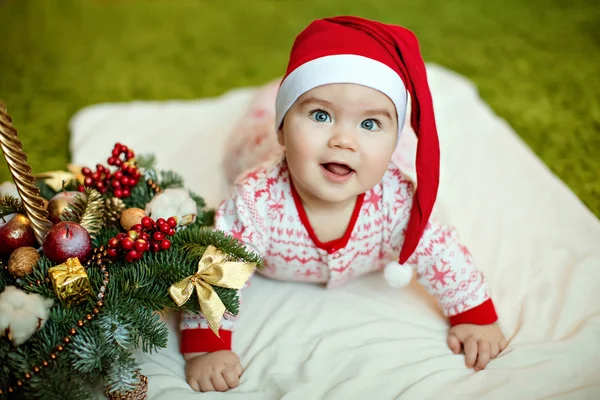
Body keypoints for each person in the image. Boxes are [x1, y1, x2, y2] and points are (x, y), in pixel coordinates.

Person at [181, 15, 507, 393]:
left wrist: (474, 315)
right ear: (284, 128)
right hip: (261, 144)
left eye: (370, 124)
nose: (343, 140)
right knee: (248, 141)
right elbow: (216, 269)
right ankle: (273, 101)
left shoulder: (397, 201)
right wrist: (206, 346)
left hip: (381, 158)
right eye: (320, 115)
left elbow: (441, 253)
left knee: (388, 154)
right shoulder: (257, 202)